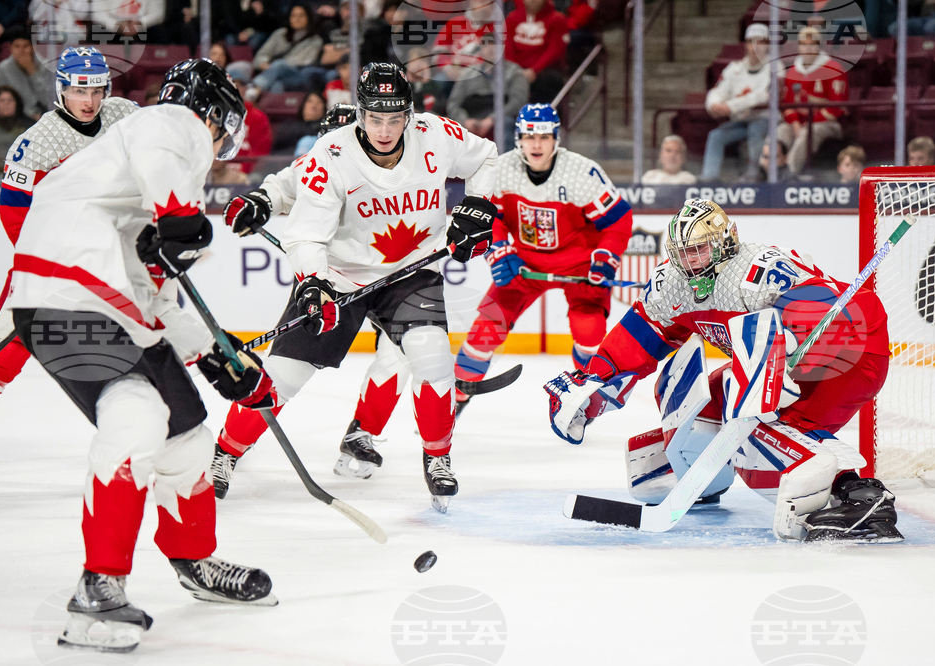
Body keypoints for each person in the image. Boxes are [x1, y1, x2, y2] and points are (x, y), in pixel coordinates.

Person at [3, 58, 277, 653]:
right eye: (225, 131)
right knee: (136, 416)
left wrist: (217, 360)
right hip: (67, 293)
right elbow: (165, 159)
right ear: (213, 115)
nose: (223, 145)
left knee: (188, 439)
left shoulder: (134, 196)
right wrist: (180, 216)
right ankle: (97, 589)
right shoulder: (170, 126)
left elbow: (158, 299)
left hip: (103, 300)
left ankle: (194, 560)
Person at [215, 63, 498, 511]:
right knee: (283, 379)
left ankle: (438, 457)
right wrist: (313, 283)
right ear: (360, 114)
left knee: (432, 358)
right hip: (340, 276)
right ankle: (224, 454)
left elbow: (486, 157)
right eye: (374, 118)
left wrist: (479, 204)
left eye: (394, 118)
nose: (384, 130)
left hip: (410, 272)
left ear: (409, 114)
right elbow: (306, 234)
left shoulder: (437, 134)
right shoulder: (332, 153)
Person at [546, 199, 901, 543]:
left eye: (698, 249)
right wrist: (592, 386)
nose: (689, 260)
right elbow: (642, 335)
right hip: (785, 353)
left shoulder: (755, 268)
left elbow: (827, 306)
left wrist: (795, 334)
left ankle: (859, 495)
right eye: (682, 251)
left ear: (723, 242)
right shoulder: (672, 282)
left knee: (757, 424)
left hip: (847, 350)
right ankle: (700, 476)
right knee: (710, 401)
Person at [0, 48, 139, 463]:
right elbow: (15, 214)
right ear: (61, 90)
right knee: (1, 359)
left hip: (114, 265)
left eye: (96, 89)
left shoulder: (125, 115)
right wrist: (54, 263)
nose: (89, 101)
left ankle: (151, 445)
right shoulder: (37, 141)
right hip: (49, 269)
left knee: (137, 352)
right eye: (78, 91)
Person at [454, 103, 632, 416]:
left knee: (589, 332)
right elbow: (488, 218)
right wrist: (498, 248)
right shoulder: (500, 169)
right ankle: (454, 398)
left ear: (556, 138)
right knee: (486, 329)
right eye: (530, 136)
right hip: (525, 264)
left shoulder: (581, 172)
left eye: (544, 137)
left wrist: (604, 260)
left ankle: (584, 401)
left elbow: (617, 221)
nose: (537, 144)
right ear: (518, 138)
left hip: (579, 265)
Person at [701, 23, 770, 182]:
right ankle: (709, 179)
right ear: (746, 44)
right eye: (752, 41)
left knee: (755, 129)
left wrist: (730, 107)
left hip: (765, 120)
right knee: (716, 136)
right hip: (740, 122)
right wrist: (714, 105)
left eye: (761, 42)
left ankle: (755, 176)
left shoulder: (775, 67)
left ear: (767, 45)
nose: (756, 47)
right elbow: (717, 91)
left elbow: (764, 96)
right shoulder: (734, 68)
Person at [778, 26, 848, 175]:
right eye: (803, 44)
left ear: (819, 45)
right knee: (780, 130)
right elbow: (787, 104)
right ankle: (766, 170)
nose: (807, 48)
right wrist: (796, 123)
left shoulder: (834, 69)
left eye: (812, 44)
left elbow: (837, 108)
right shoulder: (792, 71)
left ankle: (788, 173)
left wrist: (809, 122)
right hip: (800, 123)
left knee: (808, 133)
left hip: (828, 124)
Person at [447, 41, 529, 150]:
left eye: (495, 45)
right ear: (480, 51)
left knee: (506, 124)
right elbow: (453, 103)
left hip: (502, 118)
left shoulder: (515, 72)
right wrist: (464, 121)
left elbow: (519, 102)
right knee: (449, 125)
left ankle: (503, 164)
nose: (491, 49)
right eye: (486, 46)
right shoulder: (467, 73)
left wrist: (492, 119)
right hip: (471, 116)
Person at [249, 3, 326, 95]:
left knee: (280, 64)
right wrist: (265, 65)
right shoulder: (280, 34)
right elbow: (261, 55)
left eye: (301, 16)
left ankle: (254, 87)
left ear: (309, 18)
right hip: (274, 73)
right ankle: (272, 107)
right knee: (277, 85)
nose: (297, 19)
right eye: (294, 15)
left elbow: (306, 62)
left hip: (297, 75)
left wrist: (276, 67)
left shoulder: (315, 40)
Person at [505, 0, 569, 104]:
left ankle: (543, 117)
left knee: (549, 79)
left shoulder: (557, 19)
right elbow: (507, 47)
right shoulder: (512, 18)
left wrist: (534, 70)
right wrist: (515, 70)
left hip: (543, 71)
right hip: (516, 70)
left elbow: (555, 50)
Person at [0, 33, 54, 120]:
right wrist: (27, 116)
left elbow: (48, 101)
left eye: (25, 46)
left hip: (44, 115)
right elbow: (1, 101)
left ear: (33, 48)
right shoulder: (2, 68)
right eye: (17, 46)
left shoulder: (47, 66)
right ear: (10, 48)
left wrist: (33, 72)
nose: (21, 51)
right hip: (15, 117)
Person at [0, 85, 34, 169]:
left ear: (17, 104)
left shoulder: (30, 126)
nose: (6, 104)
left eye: (10, 100)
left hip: (21, 169)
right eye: (2, 100)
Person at [230, 69, 272, 174]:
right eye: (233, 84)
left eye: (241, 85)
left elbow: (260, 152)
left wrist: (242, 172)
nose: (236, 88)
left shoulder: (258, 117)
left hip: (247, 175)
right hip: (218, 174)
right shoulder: (216, 115)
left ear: (246, 88)